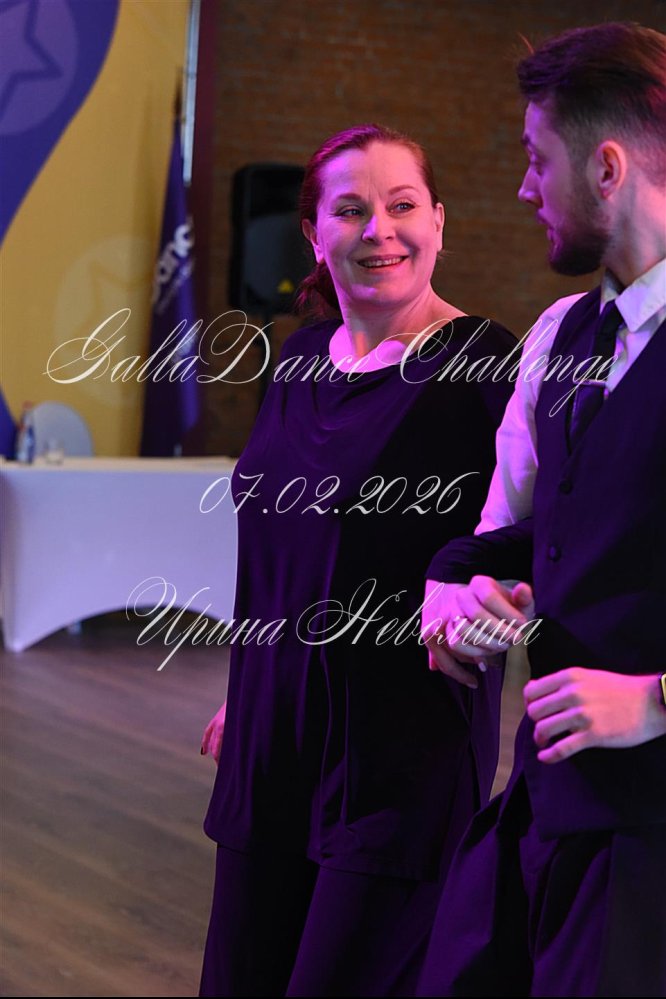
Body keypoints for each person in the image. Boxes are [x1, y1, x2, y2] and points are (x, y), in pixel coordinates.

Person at [198, 123, 516, 997]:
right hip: (270, 742)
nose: (380, 229)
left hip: (396, 758)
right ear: (314, 234)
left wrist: (493, 603)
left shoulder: (487, 366)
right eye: (350, 210)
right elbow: (283, 548)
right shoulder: (298, 361)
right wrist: (249, 690)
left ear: (439, 222)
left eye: (402, 205)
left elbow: (529, 534)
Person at [418, 23, 666, 998]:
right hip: (543, 808)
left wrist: (654, 700)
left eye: (536, 159)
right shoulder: (562, 334)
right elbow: (535, 532)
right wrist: (457, 589)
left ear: (606, 168)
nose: (525, 187)